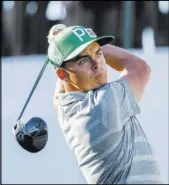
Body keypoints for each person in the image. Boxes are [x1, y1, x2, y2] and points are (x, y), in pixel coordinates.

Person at [47, 24, 165, 184]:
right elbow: (140, 67)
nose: (96, 64)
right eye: (83, 61)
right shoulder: (104, 102)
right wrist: (92, 45)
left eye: (98, 53)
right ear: (63, 74)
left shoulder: (65, 107)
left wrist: (63, 43)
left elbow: (60, 91)